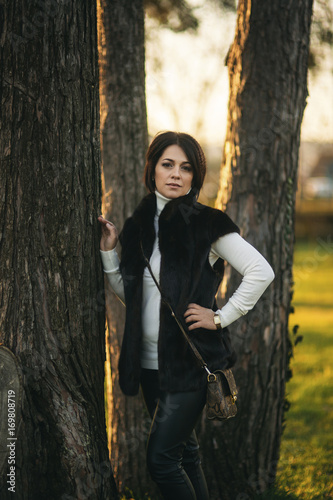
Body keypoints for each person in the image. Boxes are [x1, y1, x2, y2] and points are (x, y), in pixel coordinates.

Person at [98, 131, 275, 500]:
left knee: (161, 461)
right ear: (153, 169)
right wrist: (110, 253)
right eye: (167, 164)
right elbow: (132, 297)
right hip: (149, 365)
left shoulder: (208, 223)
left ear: (196, 176)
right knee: (186, 455)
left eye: (186, 168)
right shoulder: (139, 226)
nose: (176, 174)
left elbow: (261, 271)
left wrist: (221, 316)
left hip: (190, 365)